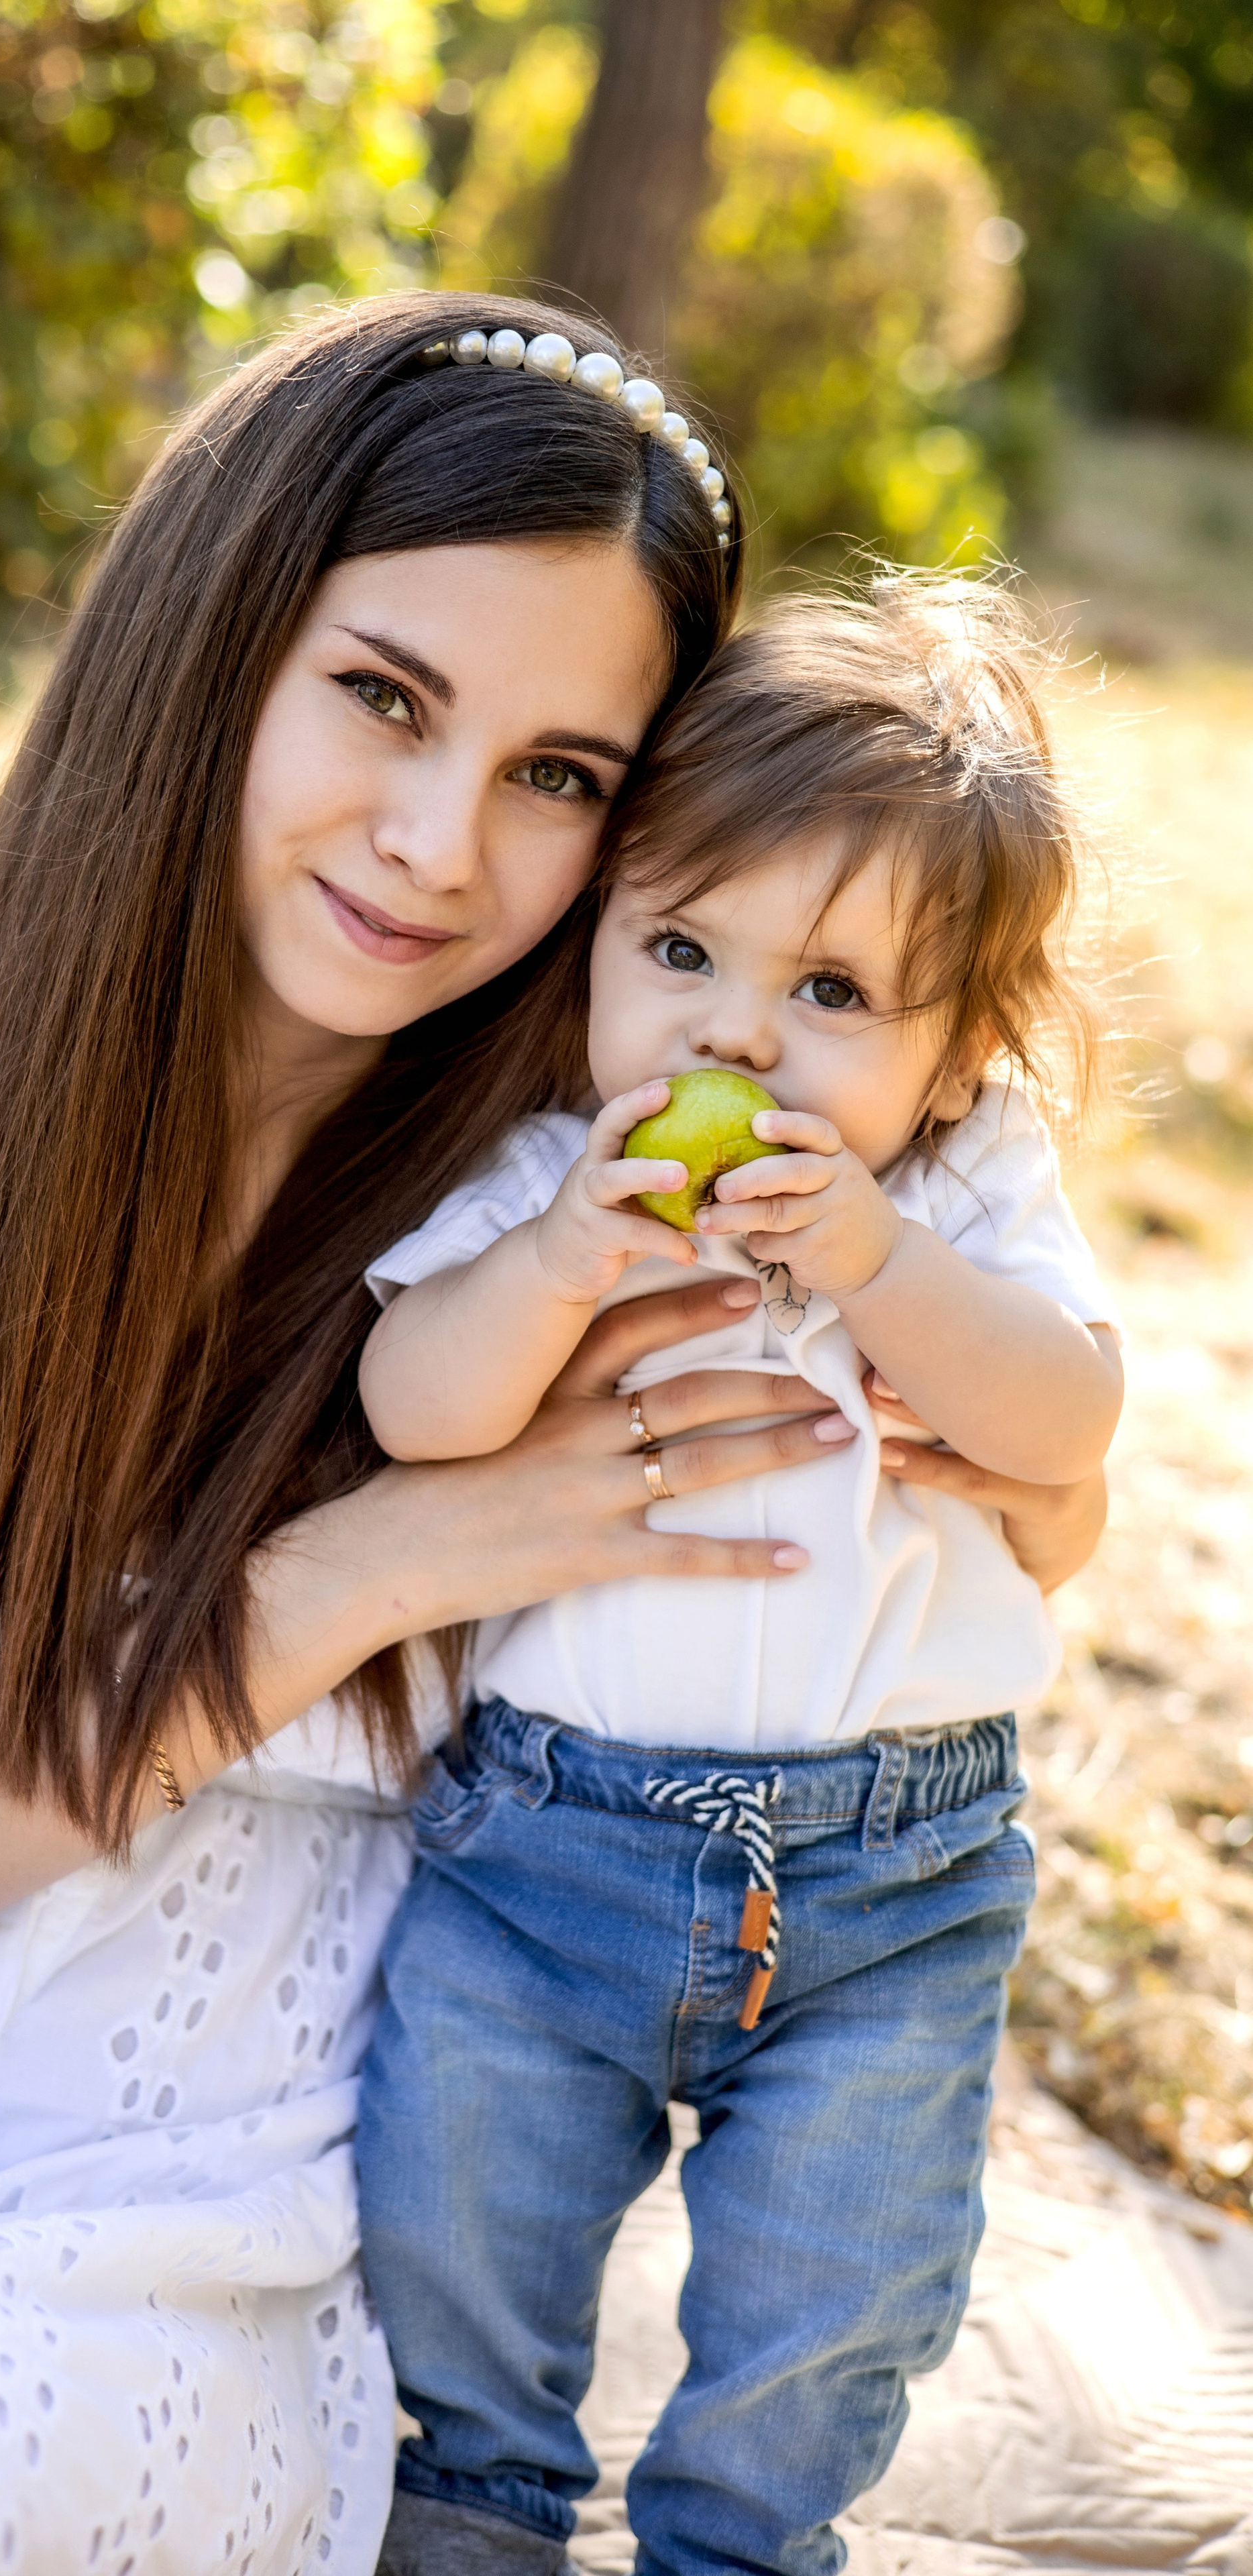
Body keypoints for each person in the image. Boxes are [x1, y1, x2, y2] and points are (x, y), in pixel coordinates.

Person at [0, 299, 1103, 2576]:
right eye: (384, 695)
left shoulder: (611, 1161)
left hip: (213, 2141)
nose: (440, 846)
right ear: (212, 637)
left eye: (563, 776)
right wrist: (395, 1558)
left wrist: (1015, 1452)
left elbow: (1037, 1502)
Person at [355, 575, 1122, 2576]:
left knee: (843, 2286)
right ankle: (472, 2505)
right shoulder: (550, 1173)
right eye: (682, 946)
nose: (734, 1034)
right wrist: (563, 1266)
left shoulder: (960, 1197)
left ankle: (745, 2541)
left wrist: (881, 1265)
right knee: (458, 2208)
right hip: (547, 1852)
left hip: (892, 1876)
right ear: (599, 941)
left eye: (836, 998)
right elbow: (416, 1407)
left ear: (957, 1063)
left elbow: (1063, 1420)